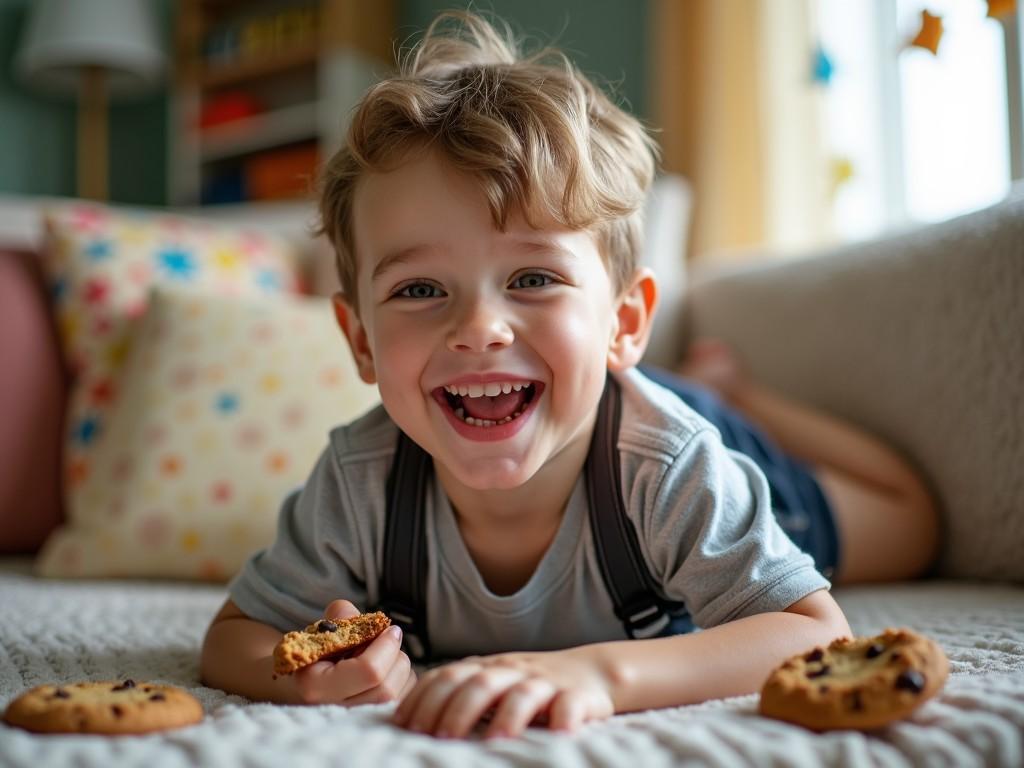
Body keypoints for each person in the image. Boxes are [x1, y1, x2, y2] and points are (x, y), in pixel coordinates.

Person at [200, 11, 937, 739]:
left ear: (623, 321)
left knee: (912, 521)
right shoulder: (359, 481)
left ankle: (738, 399)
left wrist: (598, 675)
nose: (479, 328)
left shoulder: (674, 468)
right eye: (420, 289)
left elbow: (812, 631)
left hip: (694, 440)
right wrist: (298, 676)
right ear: (359, 340)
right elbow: (235, 637)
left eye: (531, 277)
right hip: (585, 390)